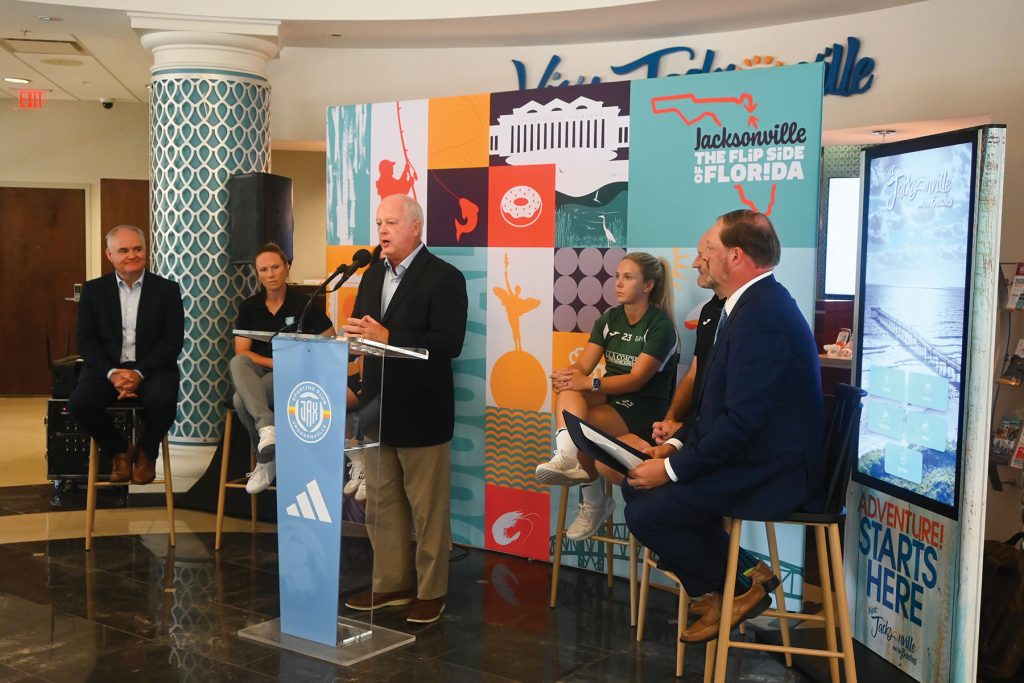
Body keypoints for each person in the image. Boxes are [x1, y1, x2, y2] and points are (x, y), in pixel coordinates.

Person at [623, 210, 823, 644]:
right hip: (751, 456)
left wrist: (671, 470)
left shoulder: (762, 316)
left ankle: (729, 591)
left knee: (647, 511)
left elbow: (741, 423)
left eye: (706, 251)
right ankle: (742, 582)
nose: (697, 261)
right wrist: (673, 448)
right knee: (635, 486)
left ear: (735, 256)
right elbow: (713, 409)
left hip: (772, 470)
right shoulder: (744, 308)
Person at [341, 193, 468, 625]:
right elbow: (366, 333)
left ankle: (431, 591)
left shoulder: (444, 277)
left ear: (415, 227)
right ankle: (391, 584)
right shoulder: (372, 274)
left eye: (391, 223)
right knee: (381, 504)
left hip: (422, 409)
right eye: (379, 222)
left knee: (427, 510)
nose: (382, 230)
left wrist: (389, 337)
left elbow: (448, 344)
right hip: (377, 408)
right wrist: (352, 340)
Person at [535, 252, 678, 542]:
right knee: (571, 391)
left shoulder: (660, 326)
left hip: (644, 408)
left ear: (648, 285)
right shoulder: (610, 319)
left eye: (628, 277)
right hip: (612, 400)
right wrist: (569, 376)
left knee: (583, 423)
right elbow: (583, 367)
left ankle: (593, 500)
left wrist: (589, 382)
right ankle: (566, 456)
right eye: (617, 277)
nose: (618, 283)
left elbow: (636, 380)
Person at [69, 225, 184, 485]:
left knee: (164, 400)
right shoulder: (93, 291)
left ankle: (147, 452)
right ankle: (120, 450)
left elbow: (172, 342)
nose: (132, 255)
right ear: (109, 254)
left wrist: (138, 373)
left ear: (146, 251)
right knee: (80, 403)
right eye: (123, 250)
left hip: (153, 368)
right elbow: (86, 341)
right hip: (106, 369)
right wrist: (113, 373)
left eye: (137, 249)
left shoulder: (167, 290)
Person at [230, 243, 337, 494]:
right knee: (237, 363)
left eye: (275, 267)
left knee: (239, 400)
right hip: (261, 371)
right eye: (263, 269)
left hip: (294, 375)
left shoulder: (304, 303)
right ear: (257, 274)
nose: (270, 274)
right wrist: (273, 362)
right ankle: (268, 430)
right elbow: (242, 351)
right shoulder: (249, 306)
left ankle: (266, 459)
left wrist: (296, 360)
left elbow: (330, 340)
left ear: (287, 268)